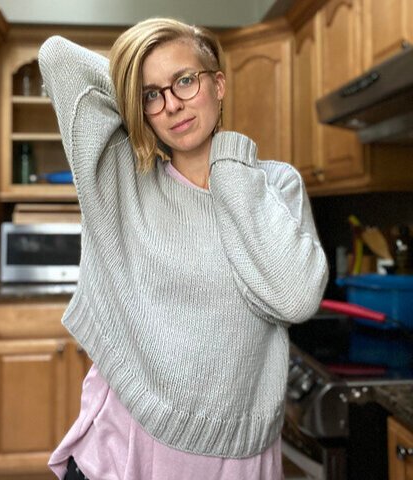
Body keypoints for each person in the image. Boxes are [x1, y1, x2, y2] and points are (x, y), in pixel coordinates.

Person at [38, 17, 328, 480]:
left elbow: (295, 297)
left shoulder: (275, 185)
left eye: (185, 81)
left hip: (236, 456)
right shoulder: (123, 179)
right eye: (152, 94)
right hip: (125, 444)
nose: (172, 104)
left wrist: (228, 164)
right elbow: (58, 56)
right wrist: (134, 96)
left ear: (219, 85)